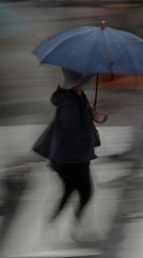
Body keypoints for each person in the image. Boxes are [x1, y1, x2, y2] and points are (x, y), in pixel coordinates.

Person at [46, 68, 107, 244]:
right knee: (85, 192)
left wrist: (92, 117)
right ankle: (74, 229)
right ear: (77, 81)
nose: (89, 80)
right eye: (85, 78)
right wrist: (87, 119)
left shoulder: (77, 97)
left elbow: (79, 122)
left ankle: (56, 223)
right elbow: (70, 130)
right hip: (70, 158)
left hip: (73, 156)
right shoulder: (69, 103)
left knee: (71, 190)